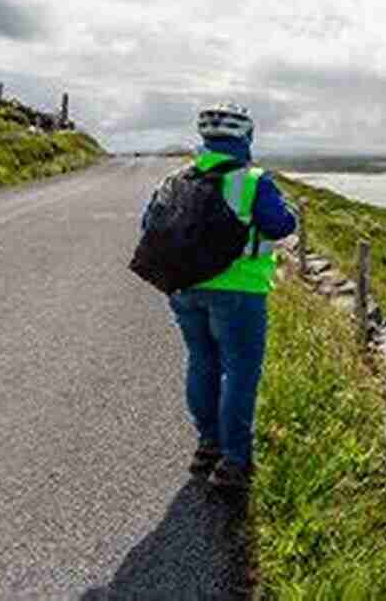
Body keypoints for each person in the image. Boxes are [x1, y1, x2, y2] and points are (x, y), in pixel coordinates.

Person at [144, 102, 296, 491]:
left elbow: (150, 224)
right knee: (240, 374)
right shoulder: (254, 180)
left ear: (205, 137)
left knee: (201, 362)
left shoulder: (175, 178)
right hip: (240, 291)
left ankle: (208, 445)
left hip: (186, 286)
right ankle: (234, 462)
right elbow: (281, 225)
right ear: (246, 136)